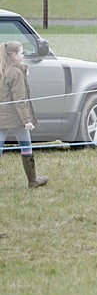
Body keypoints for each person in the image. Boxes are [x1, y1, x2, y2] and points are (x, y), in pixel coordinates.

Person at [0, 41, 48, 188]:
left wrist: (24, 69)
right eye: (21, 53)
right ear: (13, 55)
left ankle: (33, 180)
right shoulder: (15, 74)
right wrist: (27, 120)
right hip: (16, 117)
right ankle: (32, 180)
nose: (23, 55)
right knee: (26, 146)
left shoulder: (5, 69)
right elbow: (20, 99)